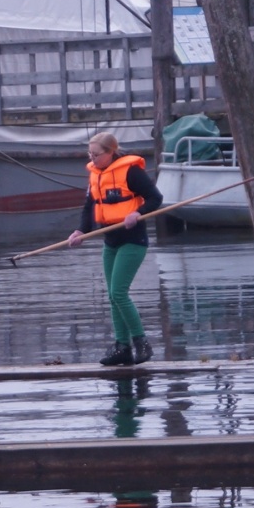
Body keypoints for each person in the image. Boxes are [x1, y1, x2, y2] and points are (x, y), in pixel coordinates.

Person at [68, 132, 163, 366]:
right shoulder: (95, 175)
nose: (93, 158)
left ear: (111, 152)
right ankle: (122, 346)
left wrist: (137, 213)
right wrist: (81, 231)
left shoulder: (131, 172)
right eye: (90, 154)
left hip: (133, 240)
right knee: (112, 297)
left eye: (97, 154)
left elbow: (155, 198)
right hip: (110, 241)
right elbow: (89, 205)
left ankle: (141, 343)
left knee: (119, 293)